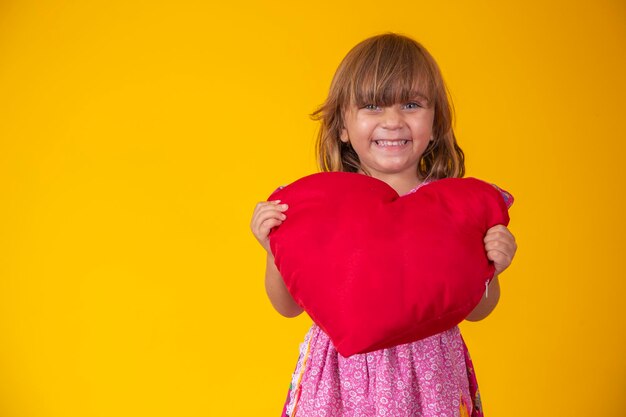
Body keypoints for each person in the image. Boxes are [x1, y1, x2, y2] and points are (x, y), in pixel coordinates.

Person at [250, 33, 517, 417]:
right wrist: (272, 250)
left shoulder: (457, 211)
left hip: (428, 376)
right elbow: (288, 306)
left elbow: (475, 310)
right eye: (372, 106)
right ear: (342, 126)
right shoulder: (318, 209)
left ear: (436, 121)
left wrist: (494, 268)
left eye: (411, 104)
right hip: (343, 378)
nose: (393, 121)